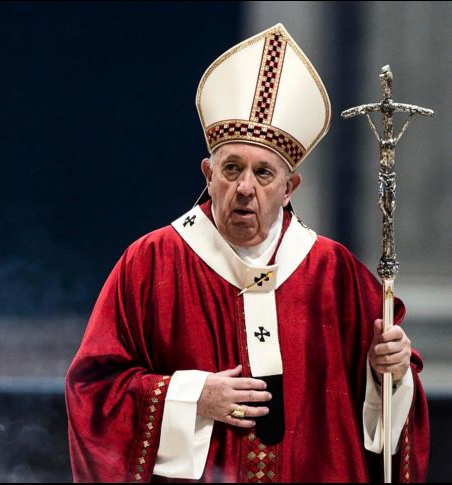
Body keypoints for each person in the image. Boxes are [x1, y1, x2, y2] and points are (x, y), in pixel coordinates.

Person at [65, 23, 429, 483]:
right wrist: (193, 395)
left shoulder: (334, 273)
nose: (244, 188)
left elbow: (389, 414)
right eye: (231, 168)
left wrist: (389, 374)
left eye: (263, 174)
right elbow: (93, 391)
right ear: (208, 172)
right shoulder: (152, 262)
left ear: (289, 187)